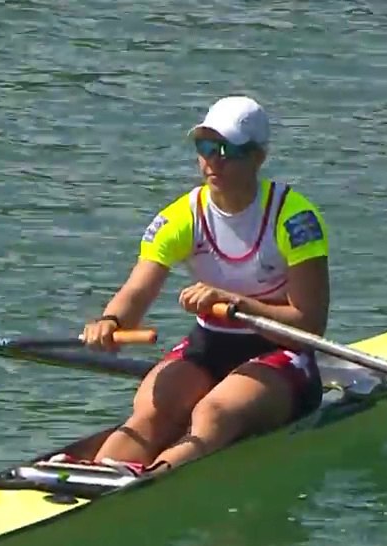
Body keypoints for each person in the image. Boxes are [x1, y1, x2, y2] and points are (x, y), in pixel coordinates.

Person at [77, 95, 331, 474]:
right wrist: (111, 322)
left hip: (283, 351)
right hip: (210, 344)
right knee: (152, 411)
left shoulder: (294, 220)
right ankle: (96, 483)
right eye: (205, 147)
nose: (213, 160)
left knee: (213, 412)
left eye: (227, 150)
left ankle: (151, 483)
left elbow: (310, 325)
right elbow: (137, 291)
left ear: (258, 157)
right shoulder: (183, 216)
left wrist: (235, 303)